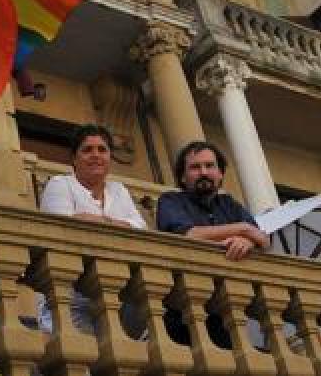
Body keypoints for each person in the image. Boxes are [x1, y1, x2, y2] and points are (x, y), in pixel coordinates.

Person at [155, 140, 271, 346]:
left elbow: (263, 239)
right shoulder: (170, 200)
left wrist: (246, 242)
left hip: (229, 308)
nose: (204, 172)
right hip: (184, 309)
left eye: (210, 166)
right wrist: (243, 230)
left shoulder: (230, 205)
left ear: (220, 174)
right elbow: (189, 235)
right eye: (195, 167)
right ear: (182, 177)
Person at [38, 123, 146, 335]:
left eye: (102, 149)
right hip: (70, 297)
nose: (96, 155)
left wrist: (96, 220)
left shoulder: (119, 190)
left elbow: (140, 231)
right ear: (74, 158)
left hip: (116, 294)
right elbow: (66, 230)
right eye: (87, 150)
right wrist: (116, 225)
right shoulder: (60, 184)